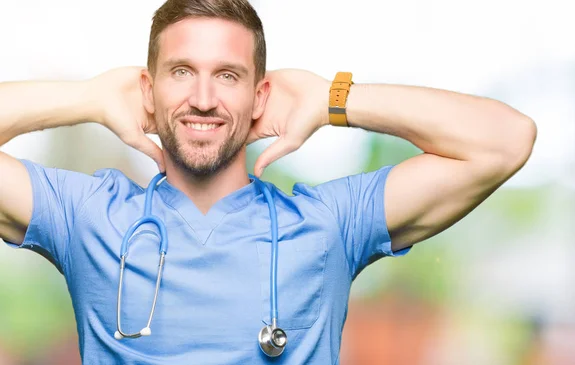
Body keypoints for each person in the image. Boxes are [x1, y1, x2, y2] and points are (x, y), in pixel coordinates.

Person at [0, 0, 537, 364]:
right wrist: (90, 98)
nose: (205, 98)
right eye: (182, 71)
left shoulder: (329, 226)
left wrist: (334, 97)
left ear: (260, 97)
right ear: (149, 91)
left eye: (228, 75)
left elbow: (505, 140)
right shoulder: (87, 216)